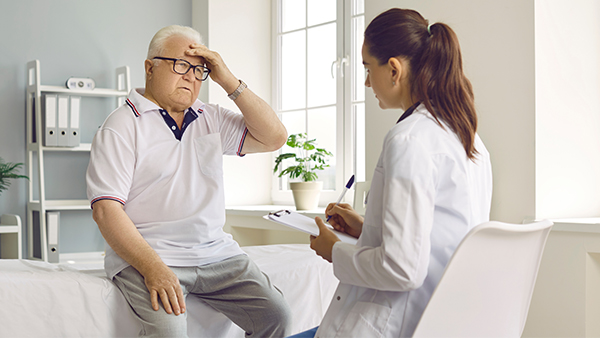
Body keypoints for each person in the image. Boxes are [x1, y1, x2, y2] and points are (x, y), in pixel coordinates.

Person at [295, 8, 493, 338]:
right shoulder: (468, 139)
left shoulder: (409, 140)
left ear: (393, 69)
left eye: (367, 68)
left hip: (397, 322)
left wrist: (336, 251)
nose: (367, 82)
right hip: (446, 318)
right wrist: (368, 229)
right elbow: (438, 238)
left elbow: (402, 269)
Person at [86, 25, 292, 337]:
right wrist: (154, 268)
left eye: (200, 70)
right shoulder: (121, 126)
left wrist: (228, 79)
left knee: (277, 316)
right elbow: (106, 211)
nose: (191, 77)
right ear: (150, 68)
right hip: (153, 255)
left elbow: (275, 137)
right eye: (181, 65)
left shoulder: (211, 117)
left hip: (217, 254)